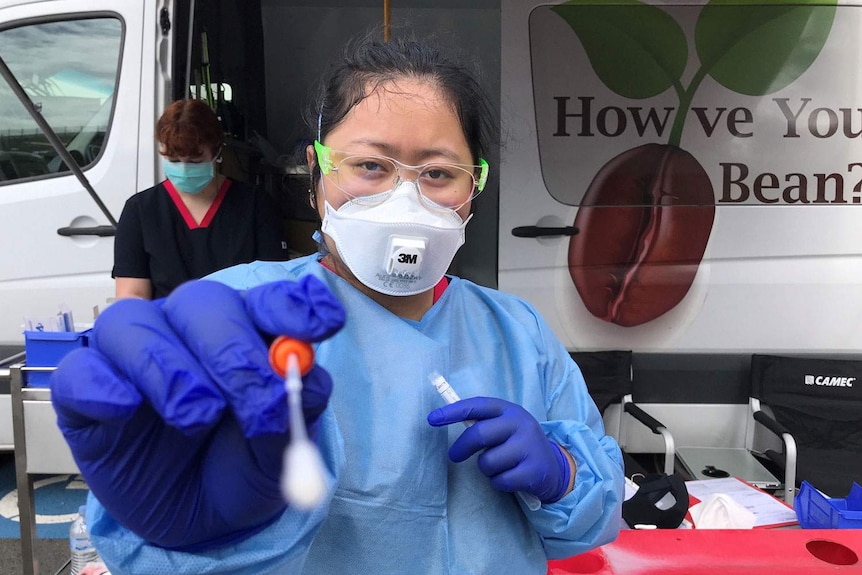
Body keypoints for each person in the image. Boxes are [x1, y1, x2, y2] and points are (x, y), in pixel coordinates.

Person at [50, 32, 624, 575]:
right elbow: (141, 542)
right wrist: (196, 532)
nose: (405, 198)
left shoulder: (517, 332)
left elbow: (594, 521)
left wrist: (563, 473)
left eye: (438, 173)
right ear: (317, 170)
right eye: (370, 166)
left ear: (474, 186)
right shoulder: (245, 315)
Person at [112, 98, 290, 299]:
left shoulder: (256, 205)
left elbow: (274, 287)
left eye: (195, 161)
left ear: (217, 151)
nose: (184, 168)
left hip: (240, 324)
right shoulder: (140, 211)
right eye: (174, 161)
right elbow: (131, 296)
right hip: (167, 327)